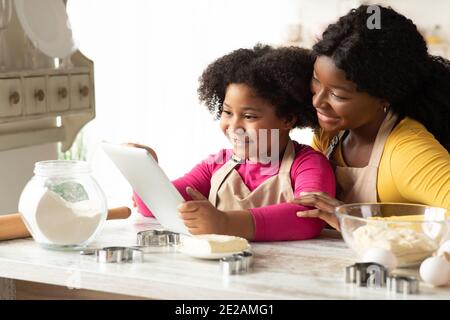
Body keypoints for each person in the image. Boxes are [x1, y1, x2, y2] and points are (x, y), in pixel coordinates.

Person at [132, 44, 335, 241]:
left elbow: (311, 215)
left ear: (287, 119)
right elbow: (153, 207)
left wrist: (224, 223)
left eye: (249, 116)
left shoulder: (307, 164)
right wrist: (145, 169)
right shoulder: (216, 165)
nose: (234, 126)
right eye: (227, 112)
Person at [290, 5, 450, 230]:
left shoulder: (408, 150)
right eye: (317, 80)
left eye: (338, 94)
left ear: (385, 97)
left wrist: (355, 220)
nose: (318, 101)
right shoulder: (328, 135)